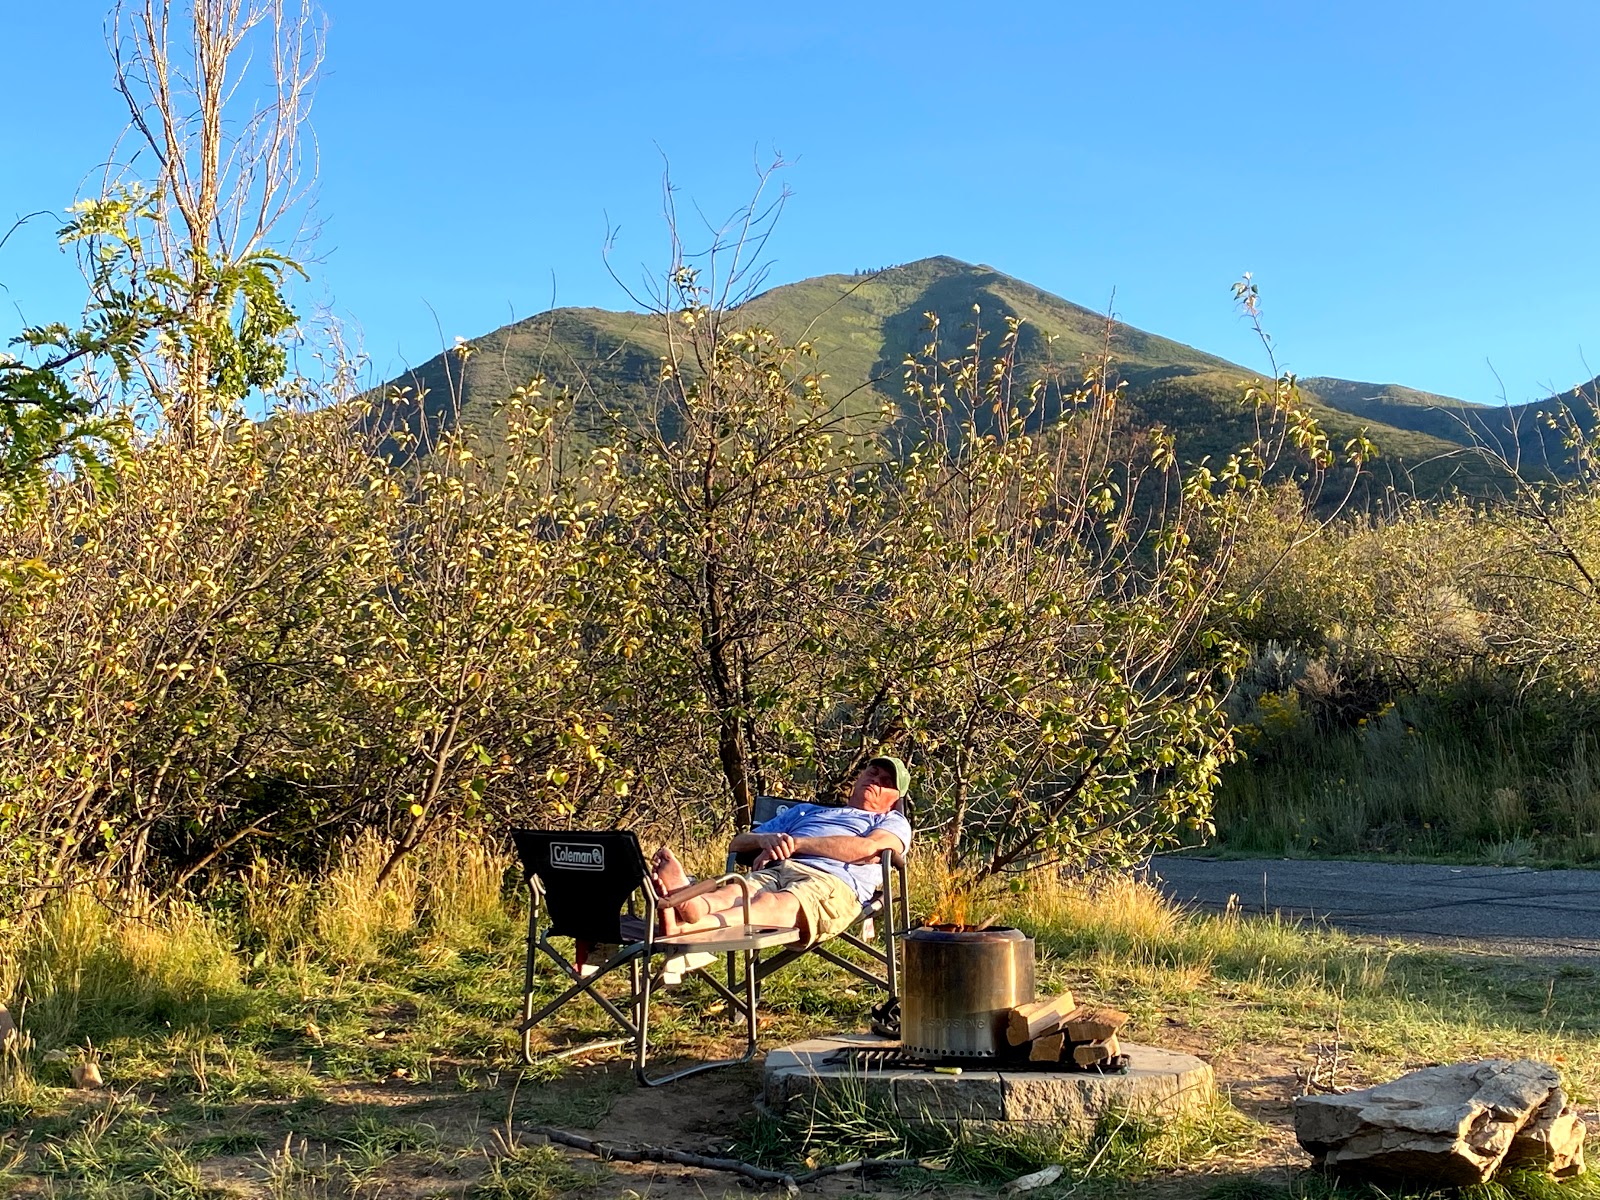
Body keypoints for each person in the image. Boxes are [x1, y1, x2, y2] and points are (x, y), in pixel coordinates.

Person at [650, 756, 912, 953]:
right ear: (859, 777)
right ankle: (692, 905)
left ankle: (687, 926)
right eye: (873, 773)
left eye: (885, 782)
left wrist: (795, 844)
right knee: (732, 892)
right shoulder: (807, 811)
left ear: (895, 798)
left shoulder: (891, 821)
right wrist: (765, 839)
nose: (875, 781)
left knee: (772, 903)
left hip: (834, 883)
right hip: (779, 869)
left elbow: (867, 850)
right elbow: (737, 843)